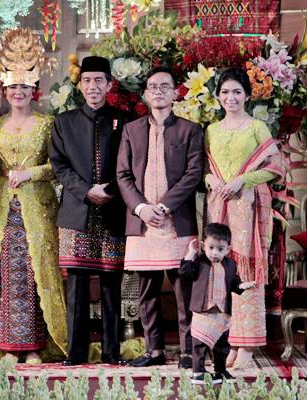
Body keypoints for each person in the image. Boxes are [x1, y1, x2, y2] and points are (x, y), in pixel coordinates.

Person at [0, 28, 67, 364]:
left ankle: (37, 346)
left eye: (24, 87)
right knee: (7, 276)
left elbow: (58, 167)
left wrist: (30, 173)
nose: (19, 92)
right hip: (2, 209)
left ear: (33, 90)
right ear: (5, 90)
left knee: (35, 272)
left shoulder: (47, 124)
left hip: (37, 208)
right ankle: (10, 346)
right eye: (13, 87)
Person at [116, 66, 203, 368]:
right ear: (145, 94)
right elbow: (123, 175)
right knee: (147, 292)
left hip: (177, 222)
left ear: (176, 93)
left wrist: (164, 207)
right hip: (143, 224)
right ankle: (154, 351)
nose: (158, 91)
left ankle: (189, 351)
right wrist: (142, 208)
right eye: (153, 86)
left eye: (165, 86)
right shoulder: (132, 130)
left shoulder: (190, 130)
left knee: (184, 292)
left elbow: (193, 173)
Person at [50, 56, 128, 366]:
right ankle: (76, 352)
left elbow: (131, 165)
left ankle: (111, 351)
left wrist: (109, 191)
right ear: (79, 85)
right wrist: (86, 191)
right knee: (77, 286)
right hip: (76, 213)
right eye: (87, 81)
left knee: (111, 285)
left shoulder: (125, 121)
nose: (92, 86)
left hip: (112, 210)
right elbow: (59, 166)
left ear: (109, 85)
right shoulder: (64, 122)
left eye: (98, 81)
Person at [204, 67, 284, 368]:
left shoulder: (257, 127)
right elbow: (203, 167)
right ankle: (229, 343)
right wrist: (211, 179)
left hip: (247, 209)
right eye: (225, 92)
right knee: (221, 274)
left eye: (237, 92)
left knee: (246, 274)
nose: (231, 97)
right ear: (217, 96)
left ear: (248, 96)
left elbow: (276, 167)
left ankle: (247, 346)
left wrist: (243, 180)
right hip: (218, 206)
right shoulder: (211, 130)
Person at [180, 223, 256, 384]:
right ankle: (198, 372)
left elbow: (234, 282)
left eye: (220, 249)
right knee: (199, 343)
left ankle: (220, 370)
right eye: (211, 248)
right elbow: (184, 272)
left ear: (227, 249)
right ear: (203, 246)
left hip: (221, 313)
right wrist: (190, 253)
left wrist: (242, 285)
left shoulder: (230, 265)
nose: (215, 253)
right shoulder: (199, 262)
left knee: (222, 344)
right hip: (203, 311)